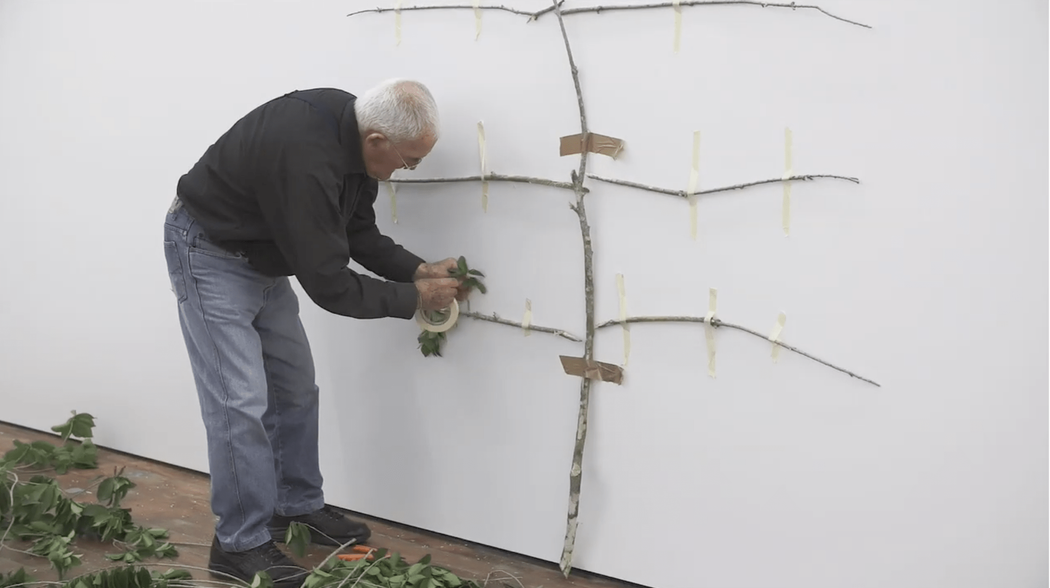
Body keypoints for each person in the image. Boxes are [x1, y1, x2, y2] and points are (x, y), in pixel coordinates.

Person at [161, 79, 466, 586]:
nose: (405, 171)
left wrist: (416, 270)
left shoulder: (352, 134)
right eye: (409, 161)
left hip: (261, 256)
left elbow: (355, 230)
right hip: (208, 254)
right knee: (239, 402)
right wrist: (415, 301)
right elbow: (330, 285)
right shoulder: (306, 159)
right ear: (376, 141)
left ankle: (294, 507)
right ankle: (238, 544)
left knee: (295, 389)